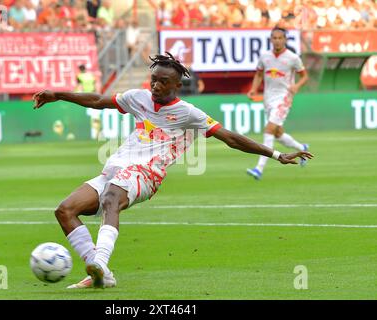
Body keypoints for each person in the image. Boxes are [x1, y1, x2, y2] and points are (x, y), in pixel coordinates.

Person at [32, 52, 313, 289]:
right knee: (65, 210)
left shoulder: (189, 113)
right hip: (115, 168)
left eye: (162, 82)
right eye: (153, 79)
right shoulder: (138, 97)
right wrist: (58, 95)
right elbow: (97, 101)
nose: (155, 85)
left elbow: (230, 138)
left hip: (146, 174)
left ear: (176, 85)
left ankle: (100, 264)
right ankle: (101, 275)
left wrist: (276, 154)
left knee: (110, 200)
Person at [246, 27, 309, 180]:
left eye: (280, 38)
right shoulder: (265, 56)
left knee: (268, 130)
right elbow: (259, 73)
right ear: (270, 39)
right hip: (268, 98)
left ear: (285, 39)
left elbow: (304, 76)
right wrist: (253, 89)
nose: (277, 41)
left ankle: (259, 168)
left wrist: (296, 86)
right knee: (278, 134)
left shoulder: (293, 58)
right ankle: (302, 149)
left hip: (284, 98)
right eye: (274, 38)